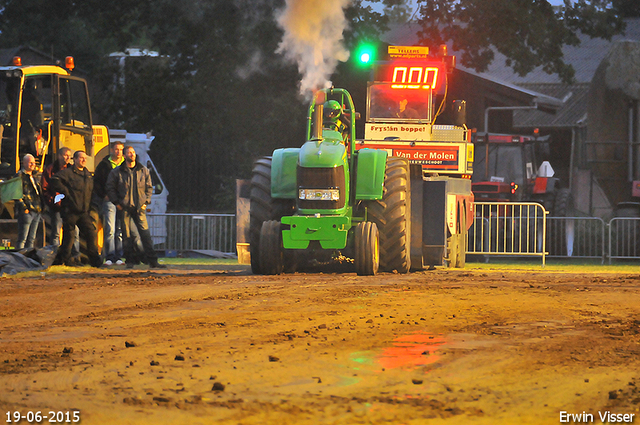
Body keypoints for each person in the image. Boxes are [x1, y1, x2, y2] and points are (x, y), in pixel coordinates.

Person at [106, 146, 165, 269]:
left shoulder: (143, 170)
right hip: (125, 208)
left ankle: (153, 261)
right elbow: (110, 187)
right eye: (129, 153)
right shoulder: (117, 172)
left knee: (145, 235)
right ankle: (130, 261)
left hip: (139, 208)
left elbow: (149, 187)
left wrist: (145, 202)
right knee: (126, 236)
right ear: (125, 156)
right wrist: (117, 203)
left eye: (133, 152)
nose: (132, 155)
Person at [51, 150, 101, 267]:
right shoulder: (68, 173)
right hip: (70, 211)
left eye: (85, 158)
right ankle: (64, 260)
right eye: (81, 158)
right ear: (75, 159)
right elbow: (54, 180)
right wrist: (66, 192)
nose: (84, 160)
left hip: (83, 212)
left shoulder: (87, 175)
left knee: (91, 233)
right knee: (69, 238)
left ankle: (95, 262)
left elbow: (91, 191)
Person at [41, 147, 80, 258]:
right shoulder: (50, 170)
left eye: (69, 155)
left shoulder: (73, 170)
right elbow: (45, 188)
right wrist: (53, 201)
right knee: (56, 233)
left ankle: (74, 256)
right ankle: (55, 257)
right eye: (65, 155)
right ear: (59, 156)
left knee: (74, 232)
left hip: (71, 207)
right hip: (57, 207)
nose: (67, 158)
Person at [93, 141, 125, 266]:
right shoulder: (104, 165)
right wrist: (103, 195)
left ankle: (119, 257)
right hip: (109, 201)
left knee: (120, 230)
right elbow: (97, 182)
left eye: (121, 149)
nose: (118, 152)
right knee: (110, 229)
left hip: (123, 201)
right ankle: (110, 257)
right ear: (111, 150)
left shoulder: (126, 164)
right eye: (116, 149)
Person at [15, 154, 43, 249]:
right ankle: (19, 259)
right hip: (27, 212)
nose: (32, 164)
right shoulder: (19, 176)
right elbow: (16, 194)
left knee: (31, 239)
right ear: (24, 163)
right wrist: (24, 208)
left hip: (36, 210)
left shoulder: (34, 176)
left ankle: (27, 260)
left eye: (34, 163)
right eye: (30, 162)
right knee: (22, 238)